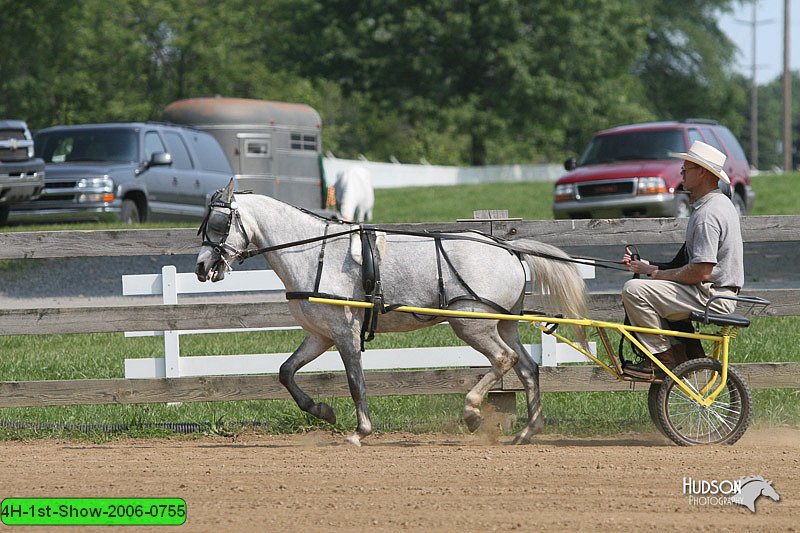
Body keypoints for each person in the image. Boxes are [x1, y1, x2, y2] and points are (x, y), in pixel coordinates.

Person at [620, 140, 744, 379]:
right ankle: (683, 353)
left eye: (687, 168)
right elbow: (687, 262)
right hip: (710, 291)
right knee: (642, 287)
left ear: (704, 173)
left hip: (712, 296)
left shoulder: (708, 215)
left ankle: (662, 358)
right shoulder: (715, 206)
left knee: (634, 290)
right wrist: (649, 267)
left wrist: (658, 275)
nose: (682, 173)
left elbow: (701, 272)